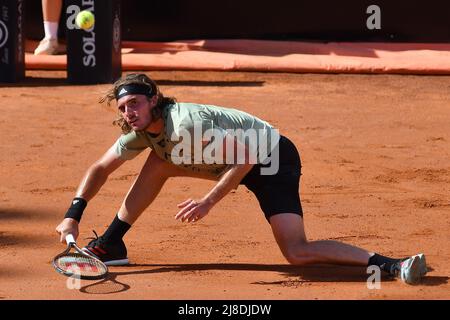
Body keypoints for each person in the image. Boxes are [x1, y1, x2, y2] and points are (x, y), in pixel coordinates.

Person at [55, 73, 427, 285]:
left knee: (296, 252)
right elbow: (100, 168)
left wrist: (208, 201)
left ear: (153, 99)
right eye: (123, 108)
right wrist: (74, 211)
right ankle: (111, 244)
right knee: (158, 161)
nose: (129, 112)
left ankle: (392, 264)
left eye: (134, 103)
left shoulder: (186, 126)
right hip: (227, 160)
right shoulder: (141, 129)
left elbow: (247, 156)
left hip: (271, 158)